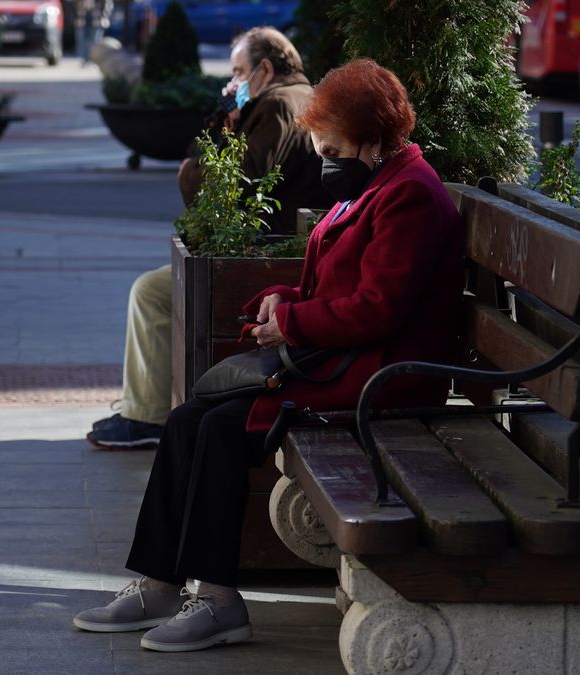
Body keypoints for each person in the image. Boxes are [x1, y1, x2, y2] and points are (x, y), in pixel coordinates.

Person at [72, 58, 464, 652]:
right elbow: (338, 286)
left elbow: (379, 309)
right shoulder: (377, 184)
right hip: (344, 360)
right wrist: (281, 301)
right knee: (186, 420)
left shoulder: (408, 195)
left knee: (223, 429)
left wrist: (293, 324)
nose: (326, 160)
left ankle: (219, 601)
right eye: (320, 147)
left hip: (381, 375)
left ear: (378, 140)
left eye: (334, 148)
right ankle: (157, 583)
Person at [87, 26, 330, 450]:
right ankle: (144, 406)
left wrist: (189, 169)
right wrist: (231, 121)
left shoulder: (276, 105)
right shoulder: (288, 99)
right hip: (271, 251)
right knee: (158, 289)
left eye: (238, 71)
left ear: (264, 69)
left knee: (151, 292)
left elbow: (241, 184)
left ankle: (146, 417)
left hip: (267, 256)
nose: (231, 83)